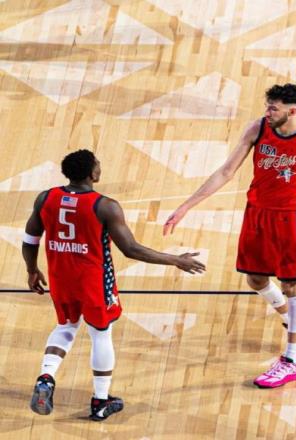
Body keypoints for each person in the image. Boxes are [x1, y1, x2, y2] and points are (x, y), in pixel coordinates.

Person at [164, 84, 296, 387]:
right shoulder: (258, 128)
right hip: (256, 214)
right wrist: (185, 206)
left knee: (292, 283)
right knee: (255, 280)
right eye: (267, 105)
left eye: (273, 108)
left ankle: (291, 360)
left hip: (290, 218)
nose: (267, 112)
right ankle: (295, 321)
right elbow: (226, 171)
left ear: (292, 111)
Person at [22, 149, 205, 421]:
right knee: (101, 334)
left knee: (66, 326)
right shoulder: (105, 206)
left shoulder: (45, 198)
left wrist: (32, 270)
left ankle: (46, 377)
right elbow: (131, 249)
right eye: (97, 164)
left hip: (60, 277)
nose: (100, 167)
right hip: (93, 281)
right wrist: (176, 260)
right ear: (91, 173)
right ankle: (100, 401)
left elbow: (30, 239)